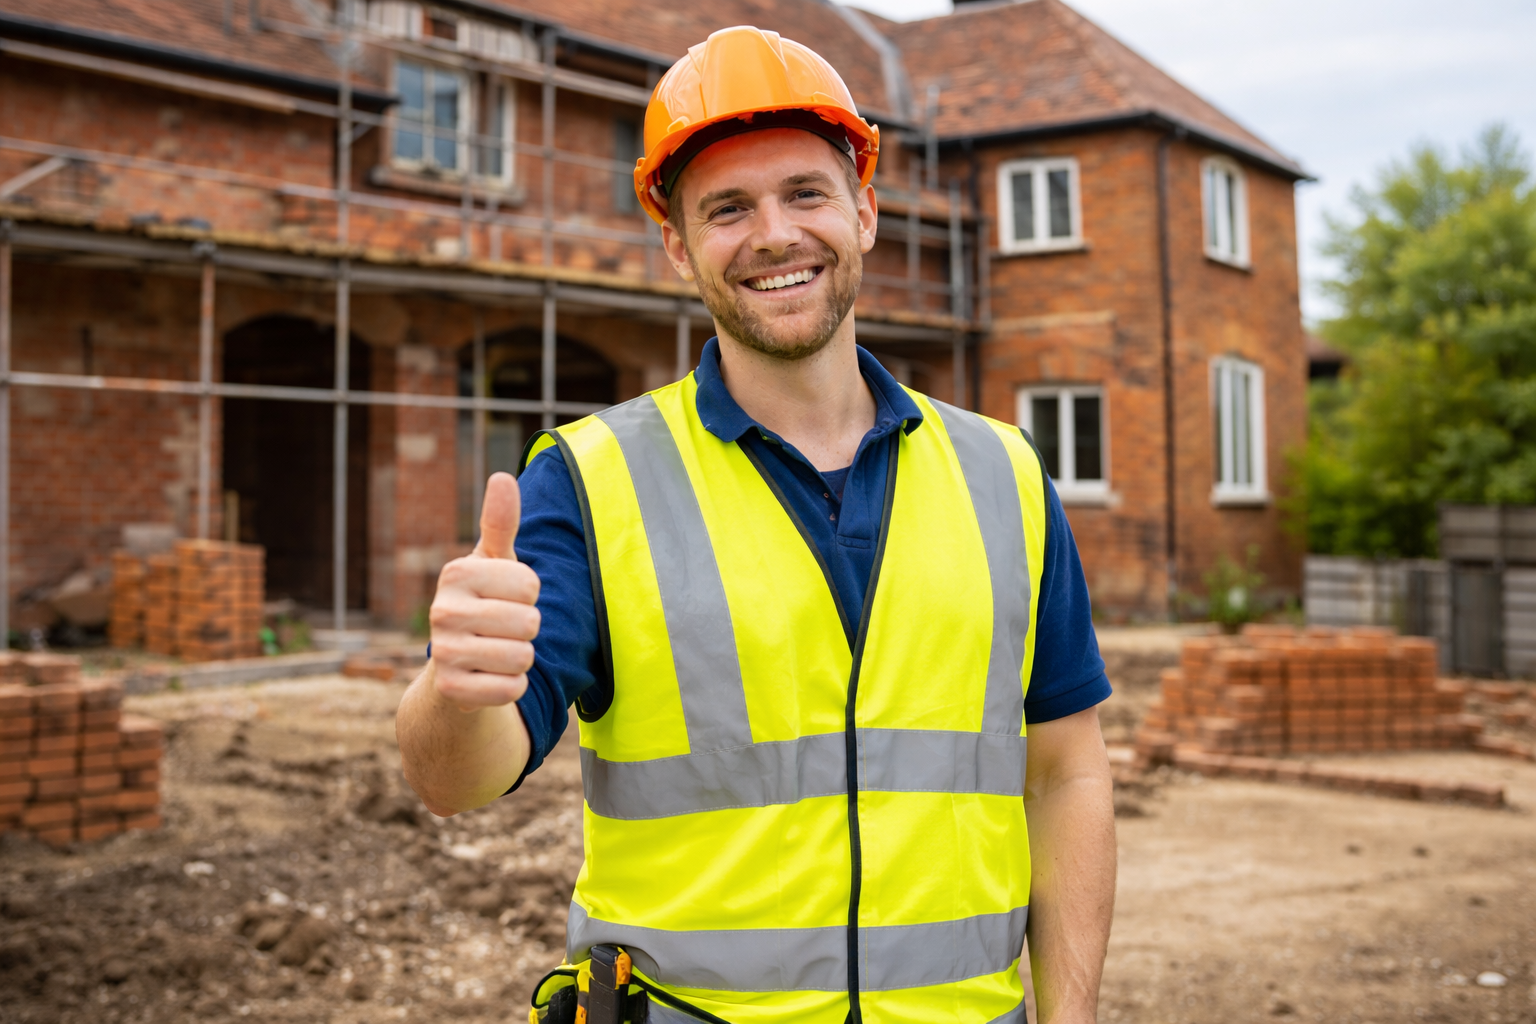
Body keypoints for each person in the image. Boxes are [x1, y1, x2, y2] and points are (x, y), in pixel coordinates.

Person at [397, 25, 1115, 1024]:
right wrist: (454, 687)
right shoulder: (589, 483)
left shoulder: (1006, 474)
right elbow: (454, 780)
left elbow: (1068, 769)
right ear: (678, 245)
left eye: (805, 194)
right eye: (728, 208)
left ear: (865, 211)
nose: (773, 233)